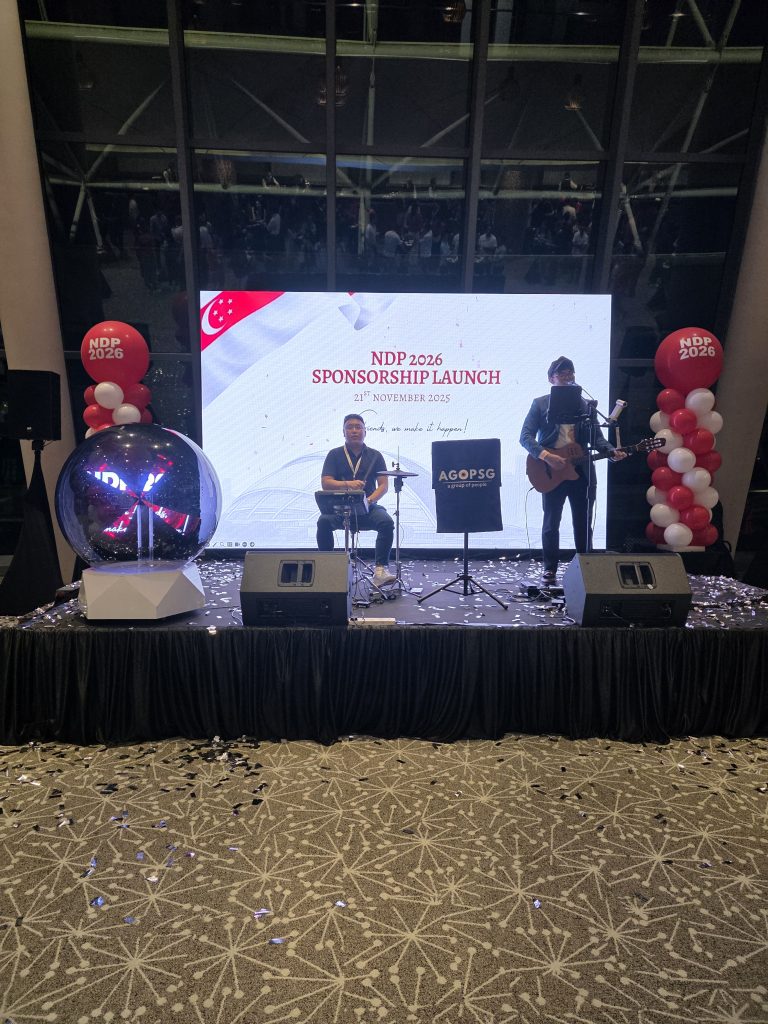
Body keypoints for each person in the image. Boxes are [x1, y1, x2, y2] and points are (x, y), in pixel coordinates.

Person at [520, 356, 626, 585]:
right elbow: (525, 437)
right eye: (562, 373)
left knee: (583, 521)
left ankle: (586, 567)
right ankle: (550, 569)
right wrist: (547, 456)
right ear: (551, 379)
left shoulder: (585, 406)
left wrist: (611, 451)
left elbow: (597, 439)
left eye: (570, 372)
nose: (567, 376)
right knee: (551, 522)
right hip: (551, 471)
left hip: (581, 471)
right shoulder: (540, 404)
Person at [317, 414, 396, 586]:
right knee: (323, 522)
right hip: (340, 508)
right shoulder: (334, 454)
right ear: (343, 432)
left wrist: (369, 501)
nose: (354, 430)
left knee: (386, 522)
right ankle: (326, 567)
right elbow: (326, 483)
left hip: (368, 507)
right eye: (350, 427)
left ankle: (380, 570)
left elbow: (383, 485)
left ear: (365, 432)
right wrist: (348, 484)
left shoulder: (375, 455)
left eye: (358, 427)